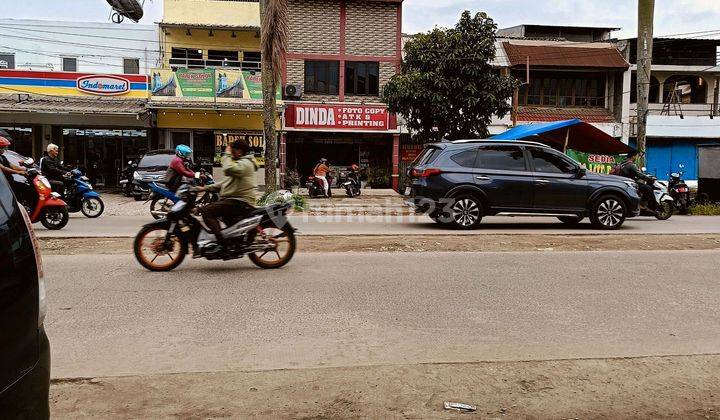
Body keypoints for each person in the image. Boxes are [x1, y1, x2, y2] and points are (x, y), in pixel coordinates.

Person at [196, 139, 257, 254]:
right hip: (233, 200)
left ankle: (222, 244)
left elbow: (228, 169)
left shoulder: (245, 164)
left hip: (240, 201)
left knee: (206, 211)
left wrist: (227, 154)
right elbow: (225, 183)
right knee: (216, 211)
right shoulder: (239, 163)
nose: (230, 152)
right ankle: (231, 241)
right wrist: (203, 188)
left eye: (232, 150)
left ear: (239, 152)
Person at [0, 135, 30, 202]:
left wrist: (24, 169)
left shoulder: (2, 157)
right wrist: (18, 172)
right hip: (3, 184)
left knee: (25, 188)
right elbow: (4, 168)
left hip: (9, 181)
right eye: (3, 147)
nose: (5, 149)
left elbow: (11, 165)